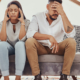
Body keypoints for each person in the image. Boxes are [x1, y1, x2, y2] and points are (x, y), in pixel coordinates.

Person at [25, 0, 76, 80]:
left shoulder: (62, 17)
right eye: (54, 8)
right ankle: (37, 76)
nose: (56, 12)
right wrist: (49, 37)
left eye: (58, 9)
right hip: (41, 48)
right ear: (47, 7)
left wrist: (62, 13)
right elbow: (30, 33)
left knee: (71, 42)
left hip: (57, 48)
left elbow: (71, 34)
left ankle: (64, 76)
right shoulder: (37, 16)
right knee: (29, 41)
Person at [0, 1, 30, 80]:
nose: (13, 12)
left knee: (19, 44)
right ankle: (6, 77)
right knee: (1, 44)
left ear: (20, 12)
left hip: (21, 48)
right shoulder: (3, 23)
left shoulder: (26, 22)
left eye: (15, 10)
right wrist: (4, 21)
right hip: (9, 48)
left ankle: (18, 77)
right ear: (7, 12)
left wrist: (22, 22)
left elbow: (21, 39)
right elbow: (2, 40)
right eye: (10, 10)